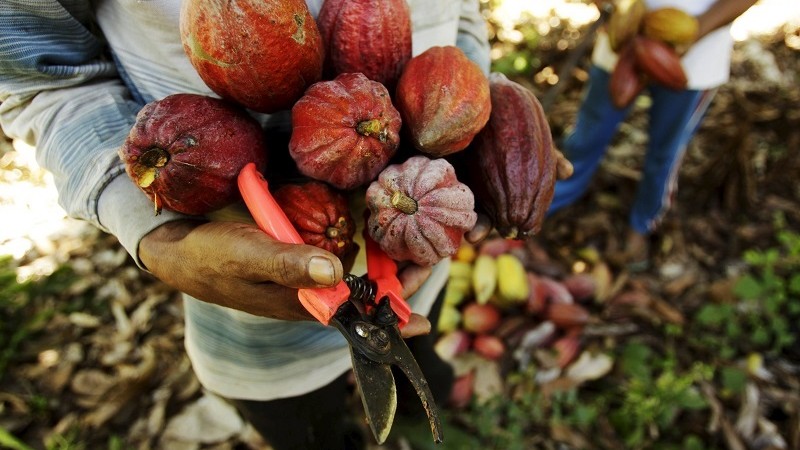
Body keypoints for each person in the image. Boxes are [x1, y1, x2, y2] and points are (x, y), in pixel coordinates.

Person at [0, 1, 496, 448]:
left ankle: (423, 413)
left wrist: (489, 129)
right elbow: (39, 79)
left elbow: (464, 19)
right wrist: (157, 238)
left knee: (423, 366)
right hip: (251, 316)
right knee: (303, 428)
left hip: (414, 272)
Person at [547, 0, 757, 268]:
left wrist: (697, 30)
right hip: (622, 43)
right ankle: (543, 203)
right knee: (586, 137)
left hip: (696, 57)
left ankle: (642, 226)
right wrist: (616, 12)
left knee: (666, 152)